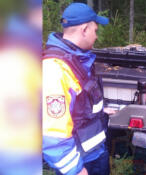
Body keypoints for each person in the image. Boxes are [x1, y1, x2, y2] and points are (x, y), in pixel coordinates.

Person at [42, 3, 115, 175]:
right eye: (95, 30)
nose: (96, 37)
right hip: (80, 162)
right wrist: (76, 170)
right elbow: (53, 135)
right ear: (84, 30)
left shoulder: (78, 59)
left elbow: (77, 101)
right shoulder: (55, 69)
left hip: (95, 153)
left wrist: (97, 111)